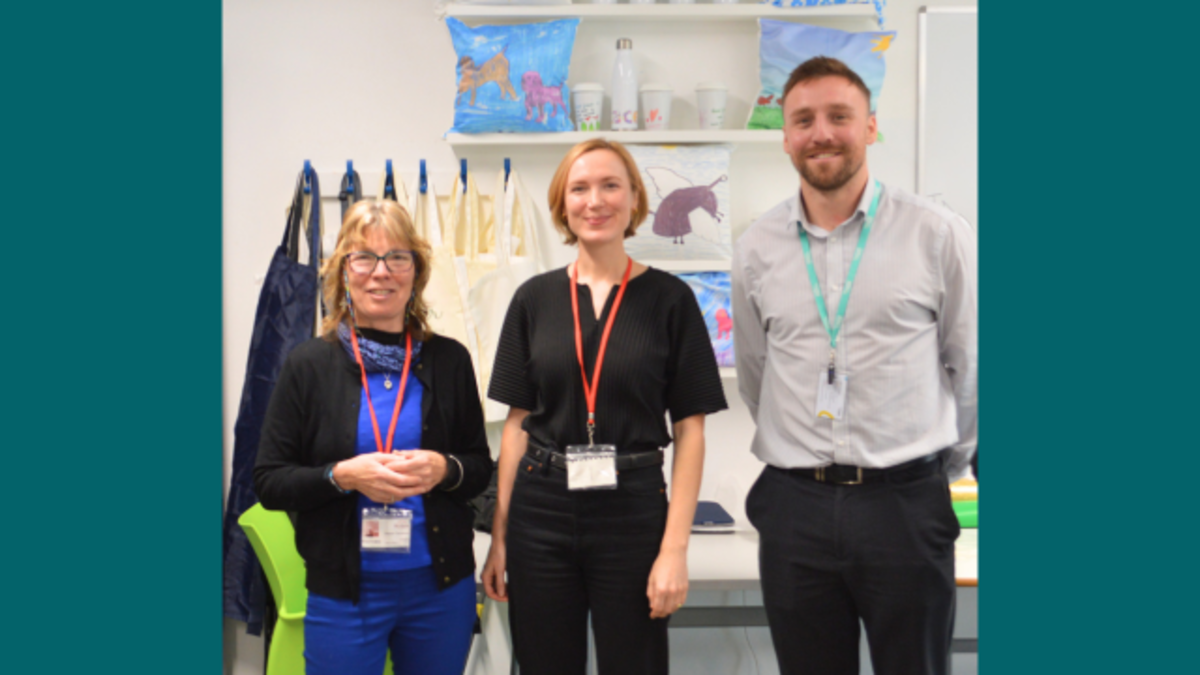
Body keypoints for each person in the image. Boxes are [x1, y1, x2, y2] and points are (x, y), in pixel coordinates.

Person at [732, 56, 977, 675]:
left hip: (904, 502)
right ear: (784, 136)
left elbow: (969, 365)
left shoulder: (937, 234)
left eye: (839, 116)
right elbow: (757, 374)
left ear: (870, 127)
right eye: (803, 119)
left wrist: (935, 468)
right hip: (795, 507)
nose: (821, 133)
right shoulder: (757, 247)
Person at [481, 139, 728, 675]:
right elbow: (516, 425)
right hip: (540, 510)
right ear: (563, 204)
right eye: (580, 188)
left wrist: (675, 550)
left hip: (633, 511)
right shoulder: (533, 300)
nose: (596, 200)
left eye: (611, 185)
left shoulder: (671, 300)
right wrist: (499, 539)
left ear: (635, 198)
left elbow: (690, 432)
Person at [254, 199, 493, 675]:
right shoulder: (309, 365)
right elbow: (269, 481)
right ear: (344, 271)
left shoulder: (450, 360)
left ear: (415, 273)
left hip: (440, 589)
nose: (381, 272)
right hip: (345, 593)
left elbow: (479, 469)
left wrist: (445, 469)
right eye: (364, 257)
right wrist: (341, 476)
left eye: (397, 257)